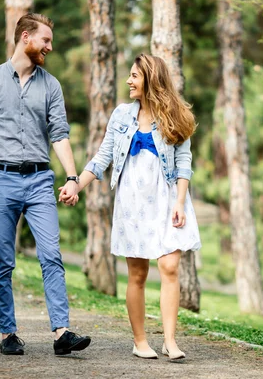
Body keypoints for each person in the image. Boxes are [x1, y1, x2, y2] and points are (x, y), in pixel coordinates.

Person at [0, 13, 91, 356]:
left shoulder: (51, 85)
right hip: (0, 180)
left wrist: (73, 177)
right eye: (45, 40)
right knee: (3, 261)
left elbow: (60, 134)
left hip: (39, 180)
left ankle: (62, 332)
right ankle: (8, 333)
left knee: (51, 254)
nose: (50, 46)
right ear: (25, 38)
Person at [67, 53, 202, 360]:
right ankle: (140, 340)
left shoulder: (176, 115)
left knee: (169, 266)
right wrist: (77, 183)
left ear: (151, 80)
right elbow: (103, 157)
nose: (129, 81)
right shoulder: (122, 115)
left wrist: (180, 201)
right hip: (132, 202)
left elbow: (184, 163)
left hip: (168, 200)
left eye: (134, 76)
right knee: (138, 273)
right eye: (129, 75)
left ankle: (169, 340)